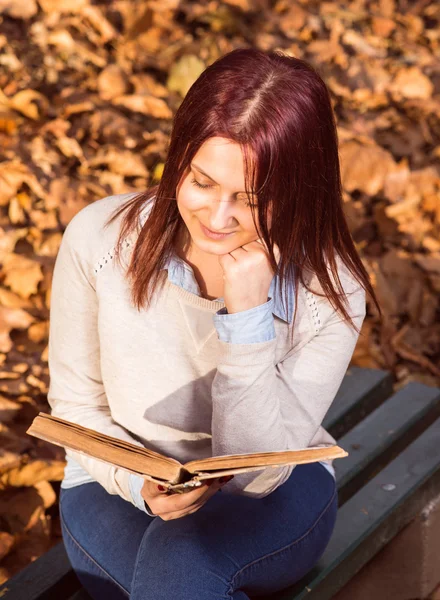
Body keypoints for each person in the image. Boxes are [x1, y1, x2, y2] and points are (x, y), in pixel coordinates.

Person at [51, 47, 381, 599]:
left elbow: (259, 474)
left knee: (182, 561)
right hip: (111, 482)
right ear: (178, 158)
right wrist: (139, 485)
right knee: (177, 575)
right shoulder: (100, 240)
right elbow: (78, 408)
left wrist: (249, 318)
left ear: (298, 189)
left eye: (251, 199)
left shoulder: (329, 286)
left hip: (275, 498)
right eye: (201, 183)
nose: (218, 218)